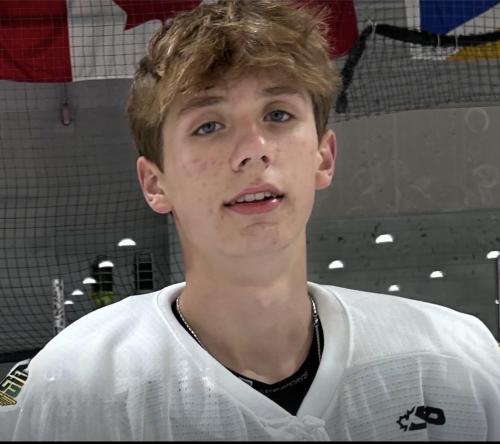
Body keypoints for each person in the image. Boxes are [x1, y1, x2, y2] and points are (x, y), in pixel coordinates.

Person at [1, 0, 500, 440]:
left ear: (324, 156)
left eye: (278, 115)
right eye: (209, 125)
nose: (253, 150)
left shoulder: (455, 359)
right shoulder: (72, 387)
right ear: (155, 183)